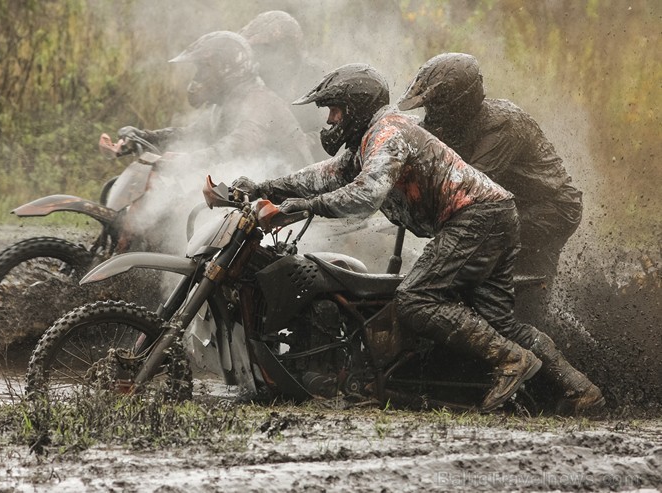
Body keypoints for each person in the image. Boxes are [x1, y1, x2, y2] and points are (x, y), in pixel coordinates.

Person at [233, 63, 604, 415]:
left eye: (335, 111)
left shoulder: (387, 133)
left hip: (477, 217)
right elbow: (325, 175)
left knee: (414, 299)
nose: (330, 121)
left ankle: (511, 360)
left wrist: (302, 207)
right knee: (499, 322)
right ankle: (580, 388)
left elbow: (364, 195)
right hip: (493, 215)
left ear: (357, 108)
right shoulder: (373, 136)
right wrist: (265, 188)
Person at [397, 53, 583, 281]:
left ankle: (527, 304)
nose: (431, 114)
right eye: (429, 106)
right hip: (512, 204)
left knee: (477, 246)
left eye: (437, 105)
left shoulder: (503, 125)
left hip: (552, 208)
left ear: (459, 103)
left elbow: (470, 190)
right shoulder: (450, 123)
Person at [118, 30, 312, 174]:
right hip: (258, 189)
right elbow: (190, 135)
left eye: (204, 69)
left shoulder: (259, 100)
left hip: (291, 201)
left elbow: (239, 144)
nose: (198, 77)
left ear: (226, 68)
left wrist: (188, 160)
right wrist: (145, 137)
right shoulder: (226, 103)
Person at [239, 10, 330, 160]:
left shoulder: (317, 75)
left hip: (313, 164)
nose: (259, 56)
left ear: (287, 49)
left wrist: (303, 140)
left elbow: (334, 126)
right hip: (266, 160)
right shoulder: (259, 78)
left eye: (265, 49)